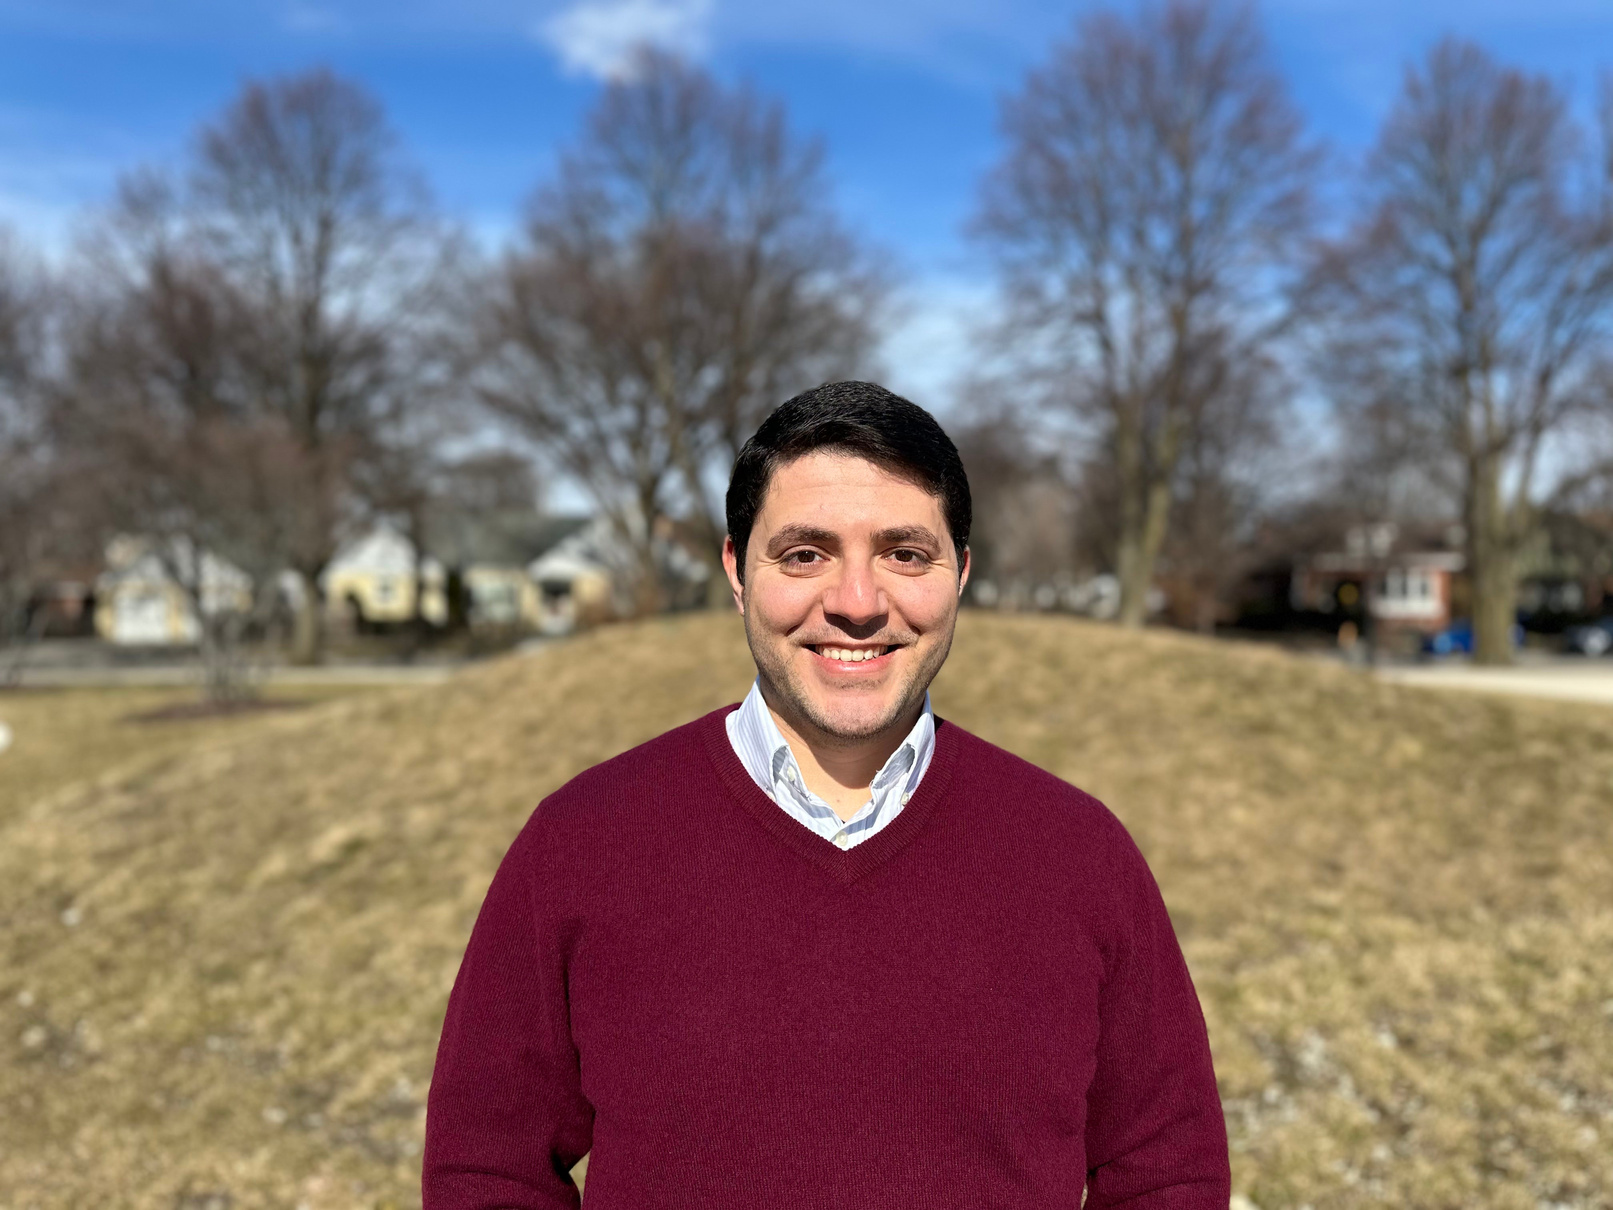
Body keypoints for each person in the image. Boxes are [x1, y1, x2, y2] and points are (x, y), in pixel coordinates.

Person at [423, 381, 1230, 1208]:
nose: (855, 604)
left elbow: (1166, 1171)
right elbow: (488, 1170)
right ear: (737, 569)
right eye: (804, 554)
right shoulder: (582, 843)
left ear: (960, 575)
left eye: (905, 555)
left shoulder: (1078, 856)